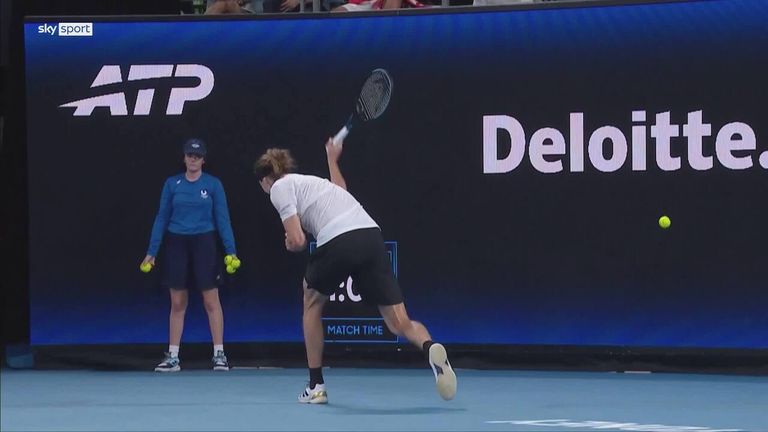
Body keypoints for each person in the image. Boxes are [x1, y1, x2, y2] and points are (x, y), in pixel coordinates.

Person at [254, 138, 457, 403]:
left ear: (265, 180)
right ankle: (430, 348)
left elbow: (298, 240)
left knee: (311, 301)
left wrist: (291, 243)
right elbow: (342, 190)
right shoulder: (315, 183)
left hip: (338, 237)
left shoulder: (279, 188)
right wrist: (332, 159)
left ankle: (316, 386)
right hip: (370, 235)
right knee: (399, 322)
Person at [141, 138, 238, 372]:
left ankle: (219, 354)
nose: (193, 159)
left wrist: (231, 251)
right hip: (177, 243)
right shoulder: (172, 184)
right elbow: (161, 218)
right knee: (177, 302)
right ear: (184, 158)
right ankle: (173, 356)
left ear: (203, 160)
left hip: (204, 242)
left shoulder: (213, 185)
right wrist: (151, 252)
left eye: (197, 156)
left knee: (211, 300)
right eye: (189, 156)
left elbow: (223, 219)